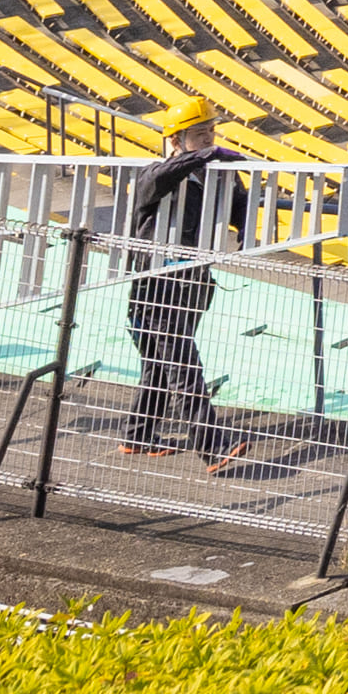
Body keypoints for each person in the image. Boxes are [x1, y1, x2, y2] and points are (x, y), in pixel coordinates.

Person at [120, 101, 235, 463]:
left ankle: (138, 435)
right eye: (199, 134)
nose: (207, 139)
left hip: (193, 283)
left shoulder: (209, 176)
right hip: (156, 287)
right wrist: (206, 155)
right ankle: (212, 447)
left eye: (210, 132)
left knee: (160, 361)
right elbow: (161, 178)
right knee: (184, 366)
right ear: (175, 141)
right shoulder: (153, 175)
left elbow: (237, 203)